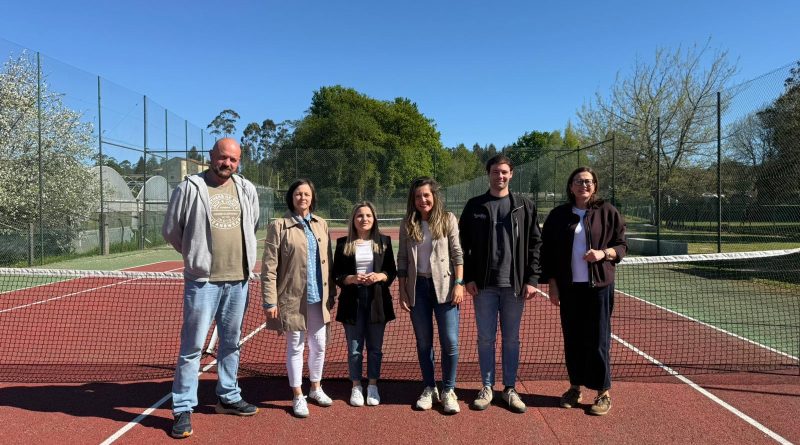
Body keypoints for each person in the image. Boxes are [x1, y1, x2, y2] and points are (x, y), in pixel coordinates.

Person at [162, 137, 260, 439]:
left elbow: (253, 223)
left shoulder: (246, 188)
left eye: (233, 159)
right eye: (222, 157)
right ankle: (183, 408)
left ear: (239, 162)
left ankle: (228, 396)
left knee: (231, 342)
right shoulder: (189, 188)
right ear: (211, 155)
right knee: (192, 346)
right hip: (203, 282)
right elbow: (171, 230)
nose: (227, 163)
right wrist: (195, 256)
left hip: (239, 280)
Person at [459, 154, 542, 414]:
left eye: (504, 172)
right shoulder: (475, 205)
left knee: (511, 339)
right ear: (489, 174)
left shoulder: (524, 206)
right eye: (495, 172)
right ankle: (487, 387)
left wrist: (532, 279)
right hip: (483, 286)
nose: (500, 176)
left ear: (511, 174)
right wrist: (468, 278)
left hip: (514, 286)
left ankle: (509, 388)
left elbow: (535, 244)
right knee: (485, 338)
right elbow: (462, 245)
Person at [541, 166, 627, 416]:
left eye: (588, 181)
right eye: (578, 181)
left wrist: (603, 253)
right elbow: (548, 252)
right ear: (571, 186)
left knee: (598, 340)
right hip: (570, 289)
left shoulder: (607, 211)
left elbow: (622, 246)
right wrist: (553, 285)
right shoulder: (559, 215)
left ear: (595, 186)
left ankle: (603, 392)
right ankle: (575, 387)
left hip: (599, 288)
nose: (584, 185)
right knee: (573, 339)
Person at [261, 178, 336, 418]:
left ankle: (316, 388)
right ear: (291, 198)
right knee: (295, 346)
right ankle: (297, 395)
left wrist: (332, 293)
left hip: (318, 298)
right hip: (292, 299)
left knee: (319, 345)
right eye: (298, 194)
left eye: (306, 194)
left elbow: (328, 262)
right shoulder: (279, 226)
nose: (302, 197)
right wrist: (270, 301)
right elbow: (269, 268)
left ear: (312, 197)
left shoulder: (321, 224)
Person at [397, 177, 464, 414]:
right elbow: (402, 259)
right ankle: (429, 387)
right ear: (412, 200)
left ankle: (448, 390)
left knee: (450, 341)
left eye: (426, 195)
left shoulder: (447, 219)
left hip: (445, 287)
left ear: (434, 196)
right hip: (418, 289)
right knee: (424, 342)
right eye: (418, 196)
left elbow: (457, 253)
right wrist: (403, 290)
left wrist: (459, 283)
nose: (422, 200)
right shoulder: (408, 223)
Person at [333, 202, 396, 407]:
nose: (364, 219)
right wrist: (351, 278)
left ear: (374, 218)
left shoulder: (384, 242)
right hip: (352, 301)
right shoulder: (343, 244)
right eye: (360, 215)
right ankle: (356, 386)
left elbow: (391, 271)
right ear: (353, 219)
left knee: (375, 348)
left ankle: (373, 385)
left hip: (377, 301)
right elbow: (337, 275)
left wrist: (379, 276)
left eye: (368, 215)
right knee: (354, 349)